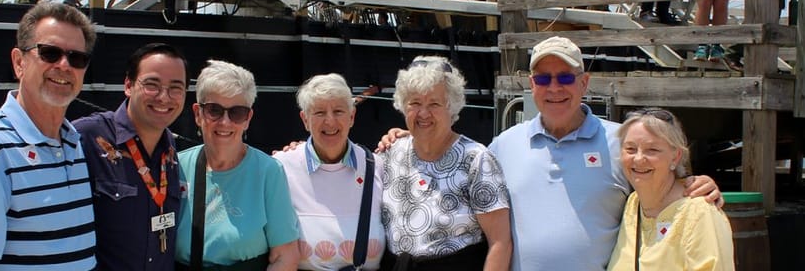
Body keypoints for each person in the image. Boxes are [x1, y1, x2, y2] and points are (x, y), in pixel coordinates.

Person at [379, 36, 723, 270]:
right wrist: (410, 132)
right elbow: (445, 149)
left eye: (565, 78)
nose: (554, 88)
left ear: (584, 83)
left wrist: (694, 185)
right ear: (531, 86)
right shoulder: (504, 145)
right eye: (543, 80)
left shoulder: (620, 142)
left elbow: (658, 182)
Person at [0, 2, 97, 270]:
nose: (64, 65)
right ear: (19, 62)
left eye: (77, 58)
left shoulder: (73, 142)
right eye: (50, 53)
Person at [378, 56, 512, 270]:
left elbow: (500, 243)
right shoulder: (390, 153)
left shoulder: (476, 159)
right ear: (403, 106)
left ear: (452, 108)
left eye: (434, 103)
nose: (423, 113)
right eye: (415, 103)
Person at [175, 59, 300, 270]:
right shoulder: (176, 167)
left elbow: (285, 255)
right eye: (214, 110)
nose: (225, 122)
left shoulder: (268, 172)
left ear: (248, 118)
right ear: (198, 114)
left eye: (237, 112)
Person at [73, 43, 189, 270]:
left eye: (176, 88)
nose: (164, 98)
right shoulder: (86, 138)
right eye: (152, 85)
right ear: (128, 85)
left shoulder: (170, 149)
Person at [273, 73, 386, 270]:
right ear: (305, 119)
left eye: (338, 111)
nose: (330, 122)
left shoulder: (377, 166)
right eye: (319, 113)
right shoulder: (281, 168)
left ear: (351, 117)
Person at [607, 108, 734, 270]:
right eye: (630, 149)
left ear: (676, 156)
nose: (638, 159)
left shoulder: (699, 212)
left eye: (652, 150)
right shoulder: (633, 204)